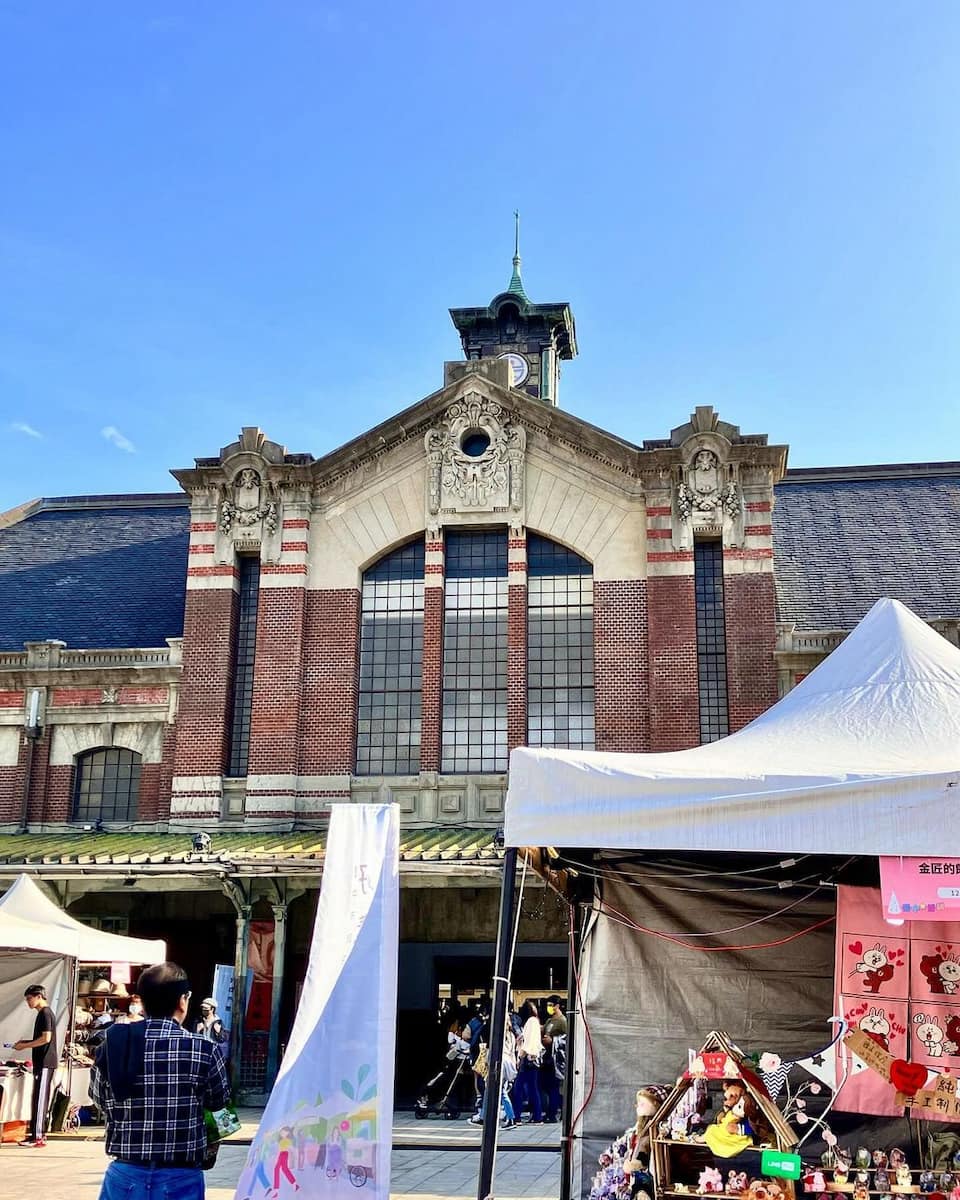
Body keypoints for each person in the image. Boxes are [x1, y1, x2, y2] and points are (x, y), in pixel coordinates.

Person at [90, 960, 230, 1200]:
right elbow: (221, 1111)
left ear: (141, 1002)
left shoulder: (112, 1045)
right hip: (181, 1177)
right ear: (182, 1000)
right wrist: (210, 1148)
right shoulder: (204, 1049)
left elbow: (99, 1100)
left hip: (124, 1175)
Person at [14, 983, 58, 1147]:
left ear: (39, 996)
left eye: (29, 998)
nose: (28, 1002)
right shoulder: (42, 1014)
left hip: (46, 1061)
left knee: (40, 1099)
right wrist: (25, 1043)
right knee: (37, 1098)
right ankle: (36, 1133)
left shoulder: (46, 1013)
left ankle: (38, 1136)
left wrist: (25, 1045)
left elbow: (46, 1038)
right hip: (42, 1061)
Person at [511, 999, 544, 1123]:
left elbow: (528, 1043)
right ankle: (537, 1116)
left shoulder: (530, 1022)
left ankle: (517, 1116)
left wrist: (520, 1057)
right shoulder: (535, 1021)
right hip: (534, 1059)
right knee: (533, 1088)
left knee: (519, 1088)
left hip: (527, 1059)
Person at [540, 994, 567, 1122]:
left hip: (556, 1059)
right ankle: (549, 1111)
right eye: (548, 1005)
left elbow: (568, 1039)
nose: (549, 1007)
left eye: (551, 1005)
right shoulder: (549, 1021)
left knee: (554, 1088)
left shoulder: (563, 1021)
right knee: (545, 1086)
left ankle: (553, 1113)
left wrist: (553, 1041)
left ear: (557, 1006)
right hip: (546, 1057)